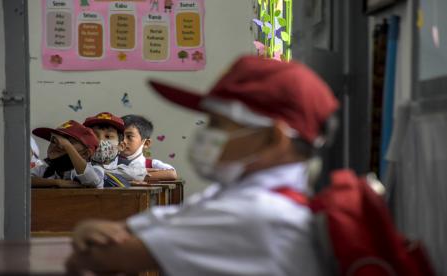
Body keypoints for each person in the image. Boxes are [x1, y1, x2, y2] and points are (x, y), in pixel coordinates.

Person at [66, 56, 339, 275]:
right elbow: (154, 224)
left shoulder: (256, 213)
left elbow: (99, 257)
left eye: (218, 125)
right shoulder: (237, 195)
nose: (206, 135)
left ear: (273, 138)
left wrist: (87, 234)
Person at [31, 120, 104, 188]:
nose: (57, 145)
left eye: (68, 141)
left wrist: (67, 146)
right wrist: (55, 182)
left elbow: (92, 181)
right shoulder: (45, 169)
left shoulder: (96, 169)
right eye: (53, 141)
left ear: (85, 154)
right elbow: (23, 180)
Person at [83, 112, 147, 186]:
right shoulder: (75, 164)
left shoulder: (131, 166)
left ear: (121, 146)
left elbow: (138, 174)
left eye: (108, 137)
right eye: (94, 136)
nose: (100, 141)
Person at [120, 114, 178, 181]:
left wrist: (134, 175)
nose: (123, 141)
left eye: (129, 136)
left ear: (146, 143)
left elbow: (172, 174)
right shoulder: (109, 163)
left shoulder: (152, 164)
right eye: (119, 136)